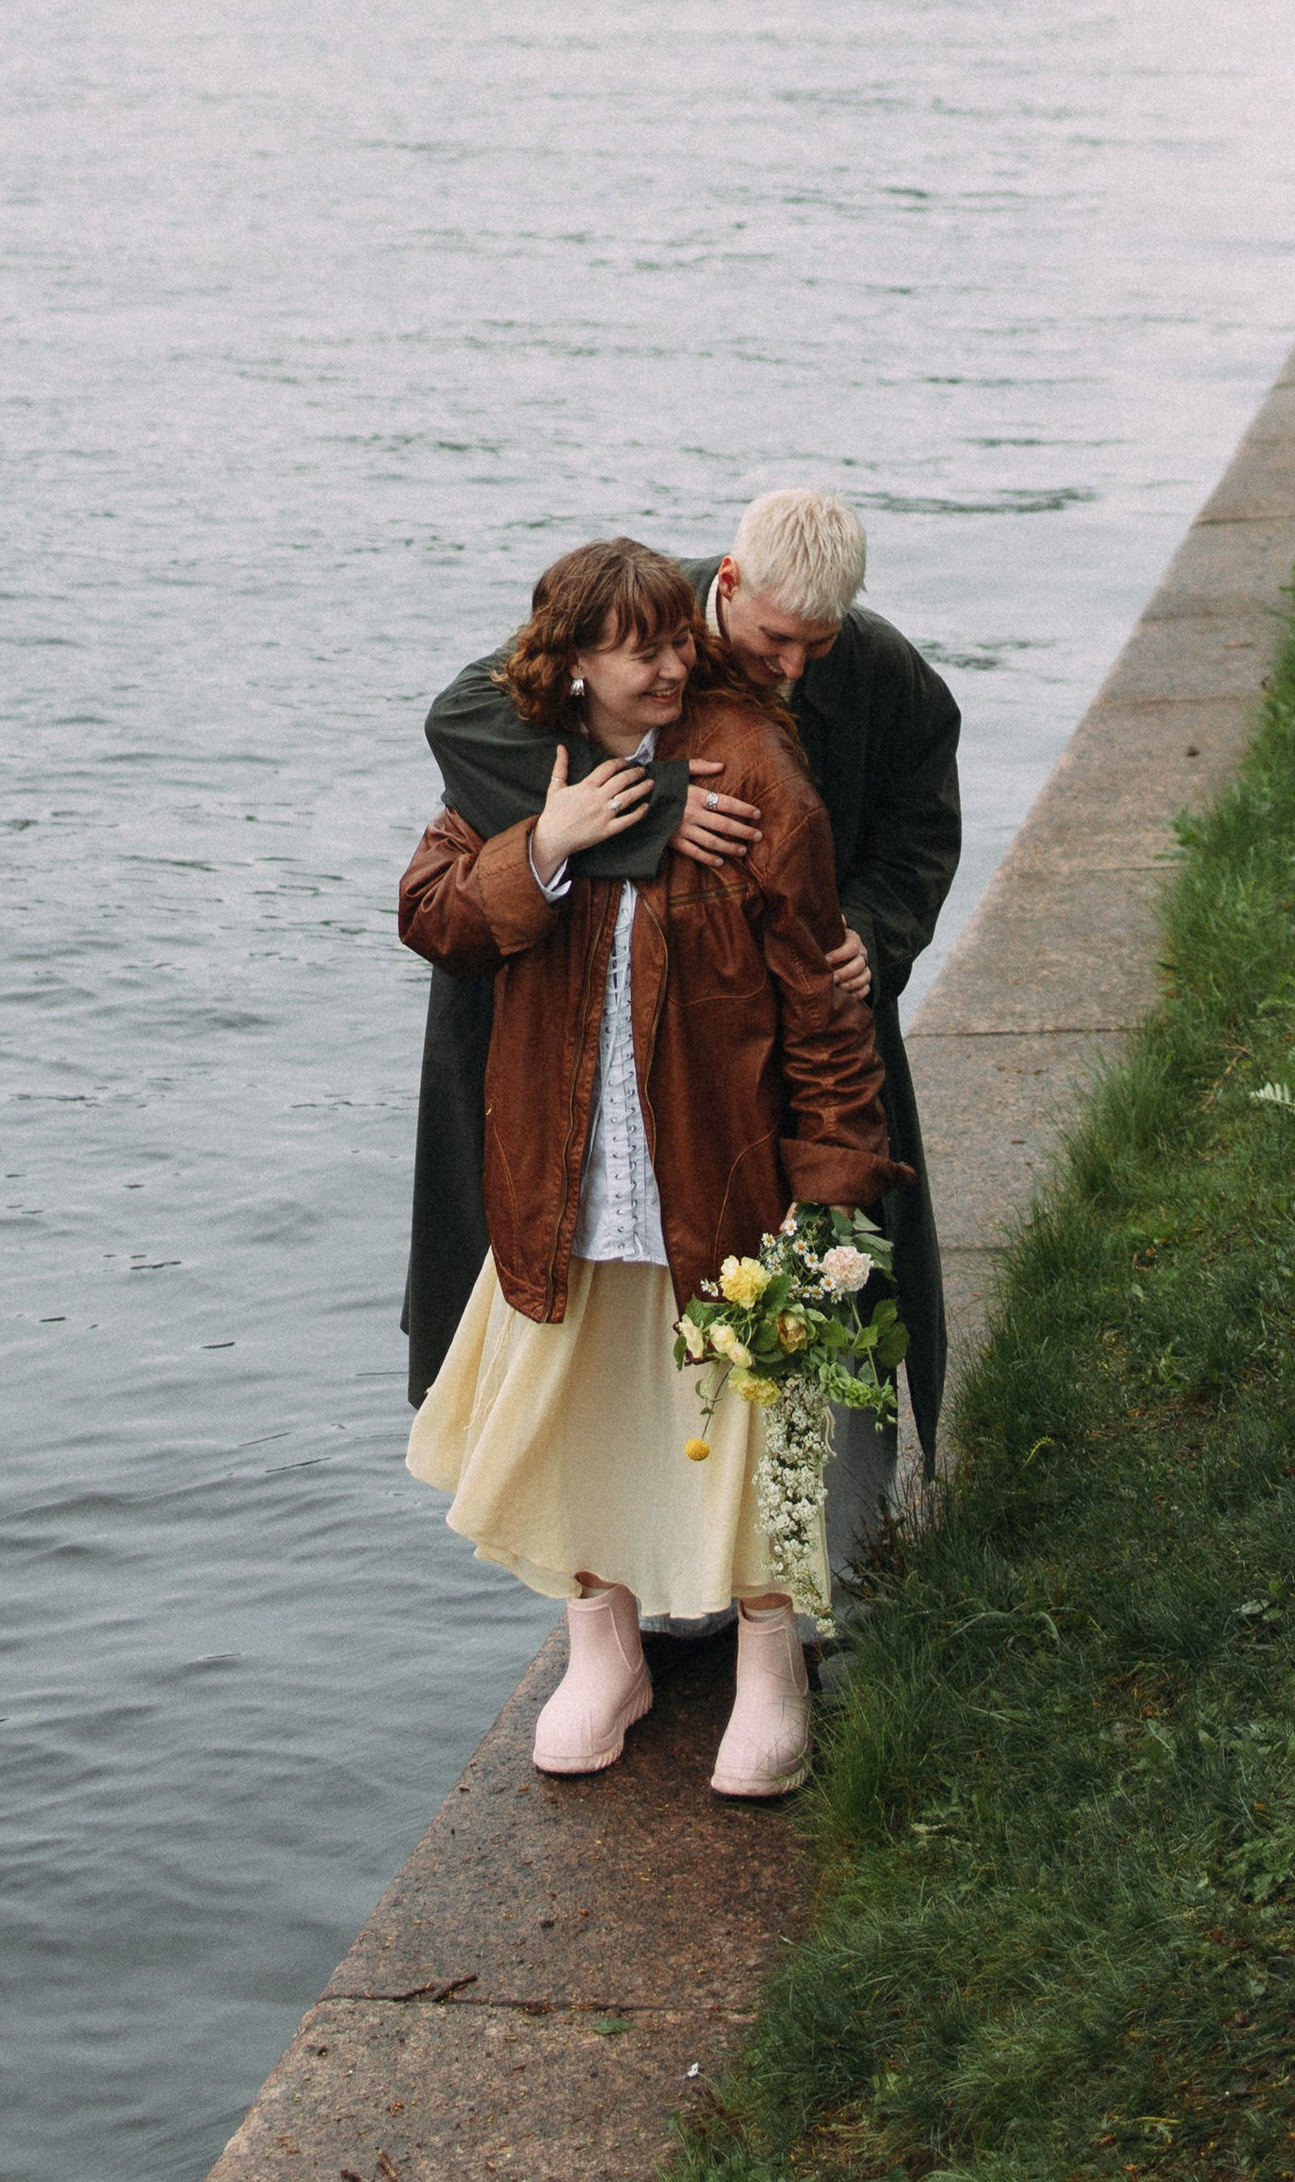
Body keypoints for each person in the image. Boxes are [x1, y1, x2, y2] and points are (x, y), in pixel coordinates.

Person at [400, 540, 902, 1798]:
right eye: (644, 650)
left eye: (683, 640)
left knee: (747, 1423)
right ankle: (603, 1650)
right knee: (576, 1413)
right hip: (564, 1175)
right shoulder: (522, 761)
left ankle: (773, 1671)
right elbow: (435, 916)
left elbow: (819, 1006)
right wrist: (546, 844)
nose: (677, 665)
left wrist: (834, 1185)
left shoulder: (752, 767)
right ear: (574, 666)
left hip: (716, 1171)